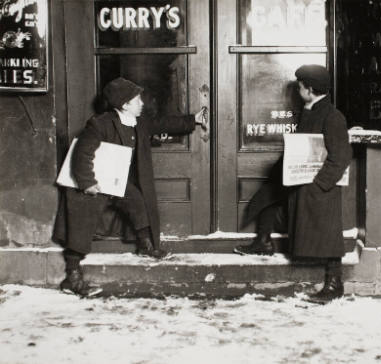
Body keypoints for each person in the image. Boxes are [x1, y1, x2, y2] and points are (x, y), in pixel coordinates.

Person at [53, 77, 207, 297]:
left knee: (136, 200)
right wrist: (88, 183)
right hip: (91, 183)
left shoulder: (140, 122)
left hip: (116, 180)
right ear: (124, 104)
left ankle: (146, 245)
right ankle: (72, 276)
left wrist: (194, 119)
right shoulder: (100, 123)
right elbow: (82, 153)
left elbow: (163, 123)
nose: (141, 103)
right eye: (137, 100)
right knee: (82, 221)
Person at [234, 65, 352, 303]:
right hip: (300, 180)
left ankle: (334, 283)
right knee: (267, 197)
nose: (297, 91)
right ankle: (263, 241)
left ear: (309, 89)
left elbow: (340, 157)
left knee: (327, 231)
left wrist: (320, 184)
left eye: (300, 87)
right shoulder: (309, 111)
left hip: (319, 188)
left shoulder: (332, 116)